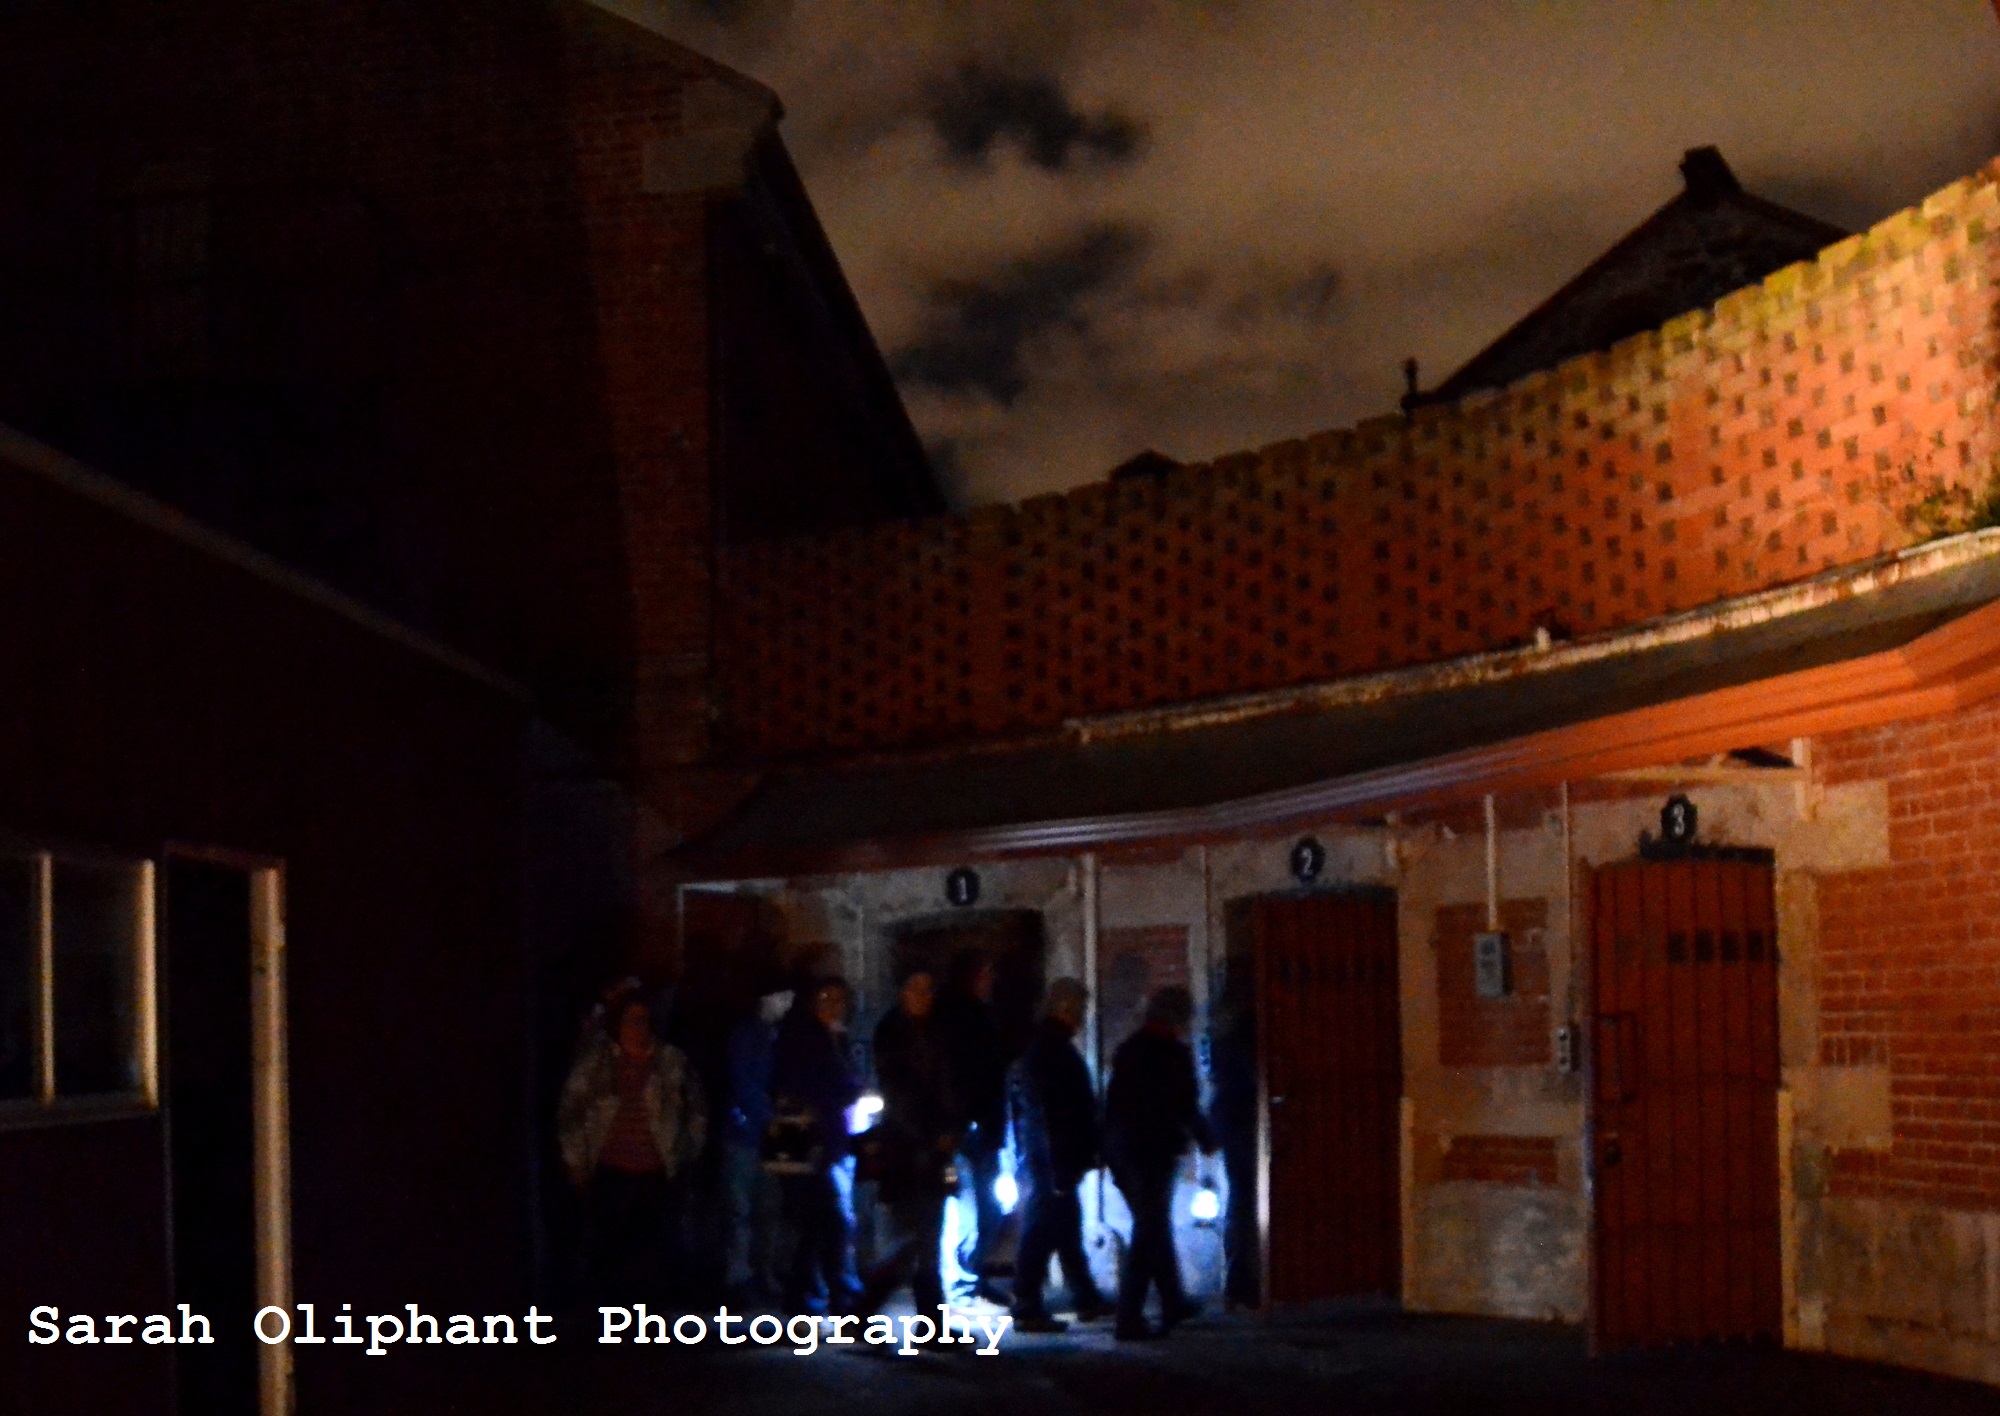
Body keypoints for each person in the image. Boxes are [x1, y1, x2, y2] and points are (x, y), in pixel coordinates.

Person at [558, 987, 707, 1304]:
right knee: (611, 1252)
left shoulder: (670, 1061)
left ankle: (649, 1325)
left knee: (653, 1255)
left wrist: (684, 1156)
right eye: (631, 1020)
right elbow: (571, 1112)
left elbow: (695, 1111)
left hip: (656, 1172)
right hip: (611, 1171)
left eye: (644, 1020)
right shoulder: (597, 1062)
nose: (638, 1028)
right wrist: (577, 1163)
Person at [1103, 985, 1214, 1341]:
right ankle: (1129, 1317)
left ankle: (1171, 1300)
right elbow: (1185, 1104)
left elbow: (1113, 1103)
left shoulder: (1129, 1049)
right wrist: (1208, 1139)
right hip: (1153, 1151)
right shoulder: (1174, 1055)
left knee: (1153, 1225)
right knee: (1149, 1230)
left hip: (1124, 1151)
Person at [1008, 978, 1108, 1332]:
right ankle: (1027, 1303)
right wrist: (1063, 1165)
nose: (1083, 1015)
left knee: (1065, 1227)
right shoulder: (1053, 1051)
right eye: (1079, 1007)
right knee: (1042, 1229)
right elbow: (1054, 1114)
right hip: (1051, 1159)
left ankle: (1083, 1295)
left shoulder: (1049, 1048)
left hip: (1050, 1157)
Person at [861, 965, 959, 1316]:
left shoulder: (935, 1031)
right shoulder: (892, 1034)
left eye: (928, 989)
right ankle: (865, 1311)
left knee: (925, 1240)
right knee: (912, 1241)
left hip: (930, 1148)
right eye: (916, 988)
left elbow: (945, 1087)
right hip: (907, 1149)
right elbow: (900, 1093)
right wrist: (929, 1136)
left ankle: (929, 1320)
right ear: (903, 992)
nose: (924, 997)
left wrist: (948, 1131)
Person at [770, 977, 864, 1313]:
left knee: (815, 1223)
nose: (832, 1005)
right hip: (806, 1139)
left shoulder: (835, 1039)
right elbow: (835, 1085)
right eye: (825, 997)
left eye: (839, 999)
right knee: (826, 1219)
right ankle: (834, 1296)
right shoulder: (807, 1039)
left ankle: (809, 1297)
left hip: (824, 1139)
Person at [938, 951, 1009, 1303]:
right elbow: (970, 1074)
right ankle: (963, 1282)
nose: (990, 982)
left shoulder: (975, 1016)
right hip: (970, 1127)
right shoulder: (961, 1018)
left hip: (982, 1126)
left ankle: (970, 1276)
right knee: (969, 1209)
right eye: (985, 974)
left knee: (986, 1208)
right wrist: (969, 1119)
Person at [720, 985, 790, 1306]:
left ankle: (760, 1272)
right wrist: (767, 1114)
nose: (788, 1004)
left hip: (766, 1132)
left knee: (767, 1208)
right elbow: (743, 1081)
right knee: (742, 1209)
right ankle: (740, 1276)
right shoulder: (749, 1035)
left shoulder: (777, 1034)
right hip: (747, 1134)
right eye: (782, 996)